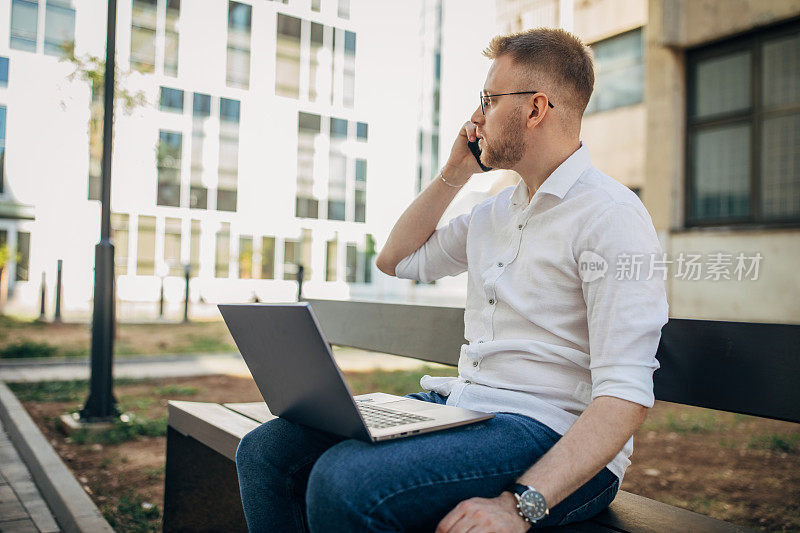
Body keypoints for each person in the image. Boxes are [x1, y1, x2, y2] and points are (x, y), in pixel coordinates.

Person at [235, 27, 668, 532]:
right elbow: (397, 260)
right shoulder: (495, 212)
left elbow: (625, 394)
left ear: (535, 109)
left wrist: (518, 506)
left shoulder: (611, 215)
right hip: (464, 410)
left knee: (345, 480)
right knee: (268, 451)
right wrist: (454, 172)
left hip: (551, 432)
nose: (476, 116)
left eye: (489, 98)